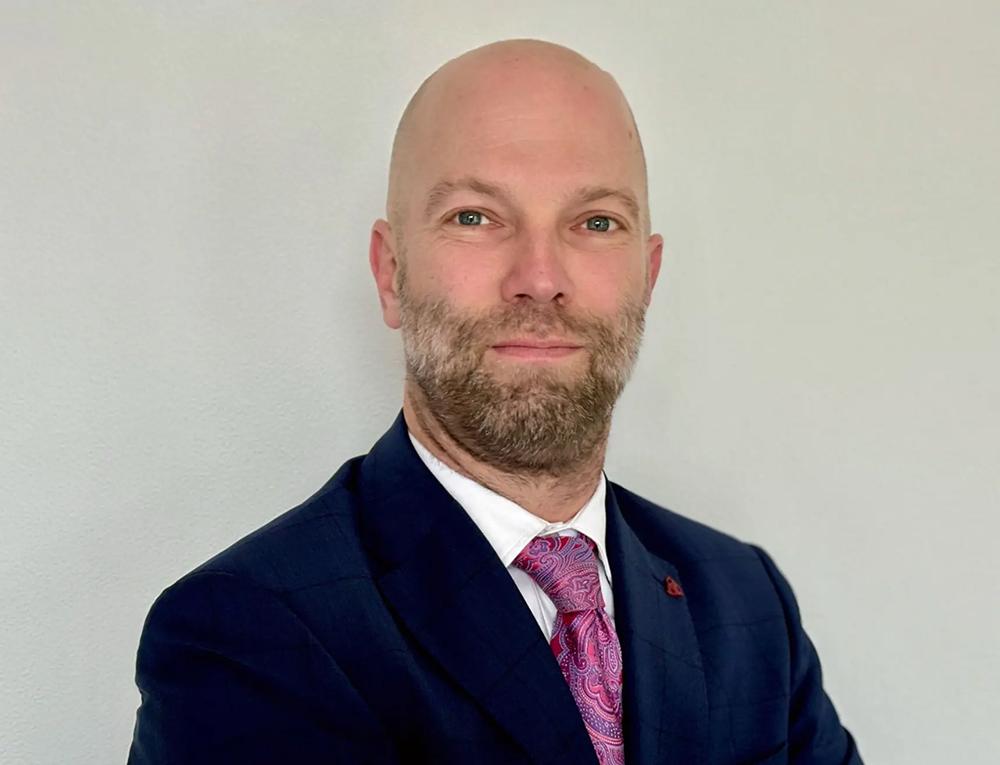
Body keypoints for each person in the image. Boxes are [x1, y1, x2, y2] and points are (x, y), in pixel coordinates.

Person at [127, 39, 862, 764]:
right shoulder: (249, 633)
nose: (540, 279)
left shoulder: (746, 603)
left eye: (596, 222)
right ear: (390, 273)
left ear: (649, 275)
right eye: (475, 217)